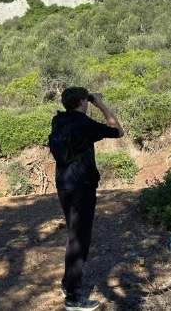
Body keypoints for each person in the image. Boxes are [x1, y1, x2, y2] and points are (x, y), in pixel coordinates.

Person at [51, 88, 124, 311]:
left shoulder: (58, 120)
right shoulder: (85, 123)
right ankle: (73, 297)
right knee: (79, 240)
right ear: (83, 101)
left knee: (75, 236)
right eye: (87, 100)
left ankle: (67, 284)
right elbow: (118, 131)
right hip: (82, 186)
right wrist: (101, 104)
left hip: (63, 185)